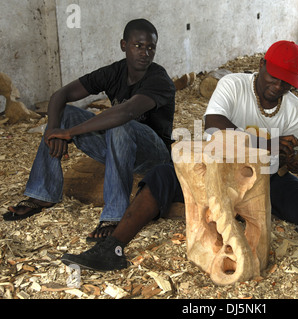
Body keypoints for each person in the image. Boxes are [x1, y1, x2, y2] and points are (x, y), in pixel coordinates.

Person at [60, 41, 298, 271]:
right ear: (261, 67)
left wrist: (294, 159)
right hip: (213, 171)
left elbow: (288, 162)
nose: (279, 85)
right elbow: (215, 129)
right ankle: (113, 247)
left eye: (287, 81)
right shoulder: (232, 85)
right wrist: (268, 145)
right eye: (274, 76)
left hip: (261, 181)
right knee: (161, 175)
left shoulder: (294, 108)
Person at [3, 19, 175, 242]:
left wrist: (70, 133)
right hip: (117, 147)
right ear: (124, 45)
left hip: (153, 156)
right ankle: (42, 194)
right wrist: (53, 130)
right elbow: (60, 95)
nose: (145, 52)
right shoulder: (115, 71)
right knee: (65, 114)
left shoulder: (159, 79)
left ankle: (114, 216)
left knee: (118, 122)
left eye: (151, 47)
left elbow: (125, 113)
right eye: (138, 45)